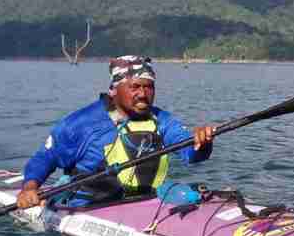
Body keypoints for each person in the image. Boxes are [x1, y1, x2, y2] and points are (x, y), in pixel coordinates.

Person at [16, 55, 215, 209]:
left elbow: (192, 154)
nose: (143, 94)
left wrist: (202, 142)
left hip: (144, 204)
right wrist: (30, 188)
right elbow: (46, 158)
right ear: (114, 90)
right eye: (134, 87)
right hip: (87, 208)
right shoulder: (82, 123)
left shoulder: (162, 120)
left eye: (149, 87)